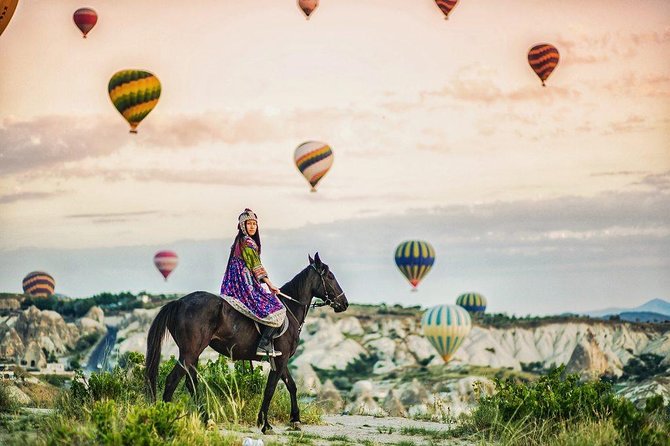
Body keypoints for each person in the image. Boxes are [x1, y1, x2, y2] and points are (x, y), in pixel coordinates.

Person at [220, 209, 286, 357]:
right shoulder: (247, 242)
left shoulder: (239, 241)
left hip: (232, 284)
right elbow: (256, 265)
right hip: (244, 285)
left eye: (254, 224)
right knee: (276, 309)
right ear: (242, 226)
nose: (252, 227)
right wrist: (269, 284)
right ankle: (264, 344)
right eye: (248, 224)